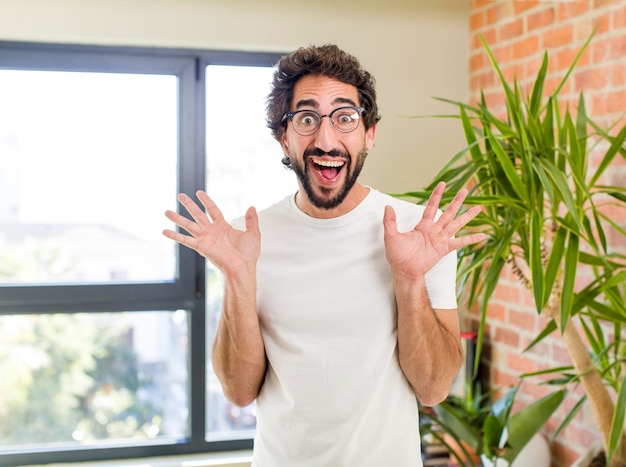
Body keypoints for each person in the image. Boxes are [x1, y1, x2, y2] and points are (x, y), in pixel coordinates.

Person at [163, 44, 485, 467]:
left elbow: (433, 388)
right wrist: (239, 277)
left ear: (369, 133)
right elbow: (240, 392)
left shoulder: (421, 233)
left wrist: (408, 279)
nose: (326, 139)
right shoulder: (248, 239)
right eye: (307, 118)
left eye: (345, 118)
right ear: (284, 137)